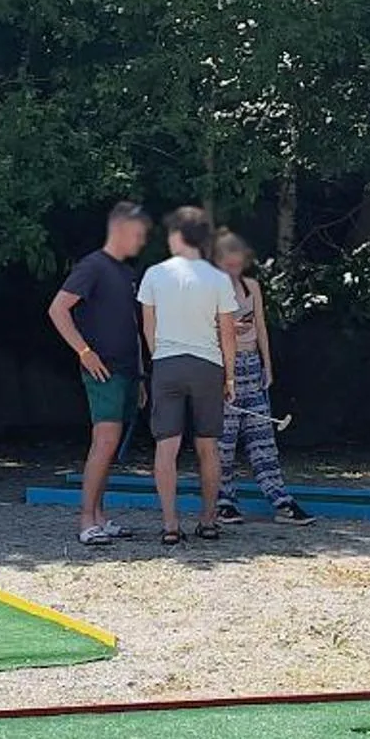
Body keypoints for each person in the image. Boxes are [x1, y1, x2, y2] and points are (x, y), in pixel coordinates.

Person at [47, 201, 153, 546]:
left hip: (126, 370)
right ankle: (85, 521)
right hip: (102, 369)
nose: (140, 241)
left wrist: (140, 376)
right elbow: (58, 309)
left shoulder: (127, 273)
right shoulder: (92, 266)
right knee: (104, 441)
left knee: (112, 446)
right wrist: (84, 351)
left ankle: (101, 516)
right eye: (137, 234)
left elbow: (134, 326)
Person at [136, 205, 241, 546]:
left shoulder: (154, 274)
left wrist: (158, 359)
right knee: (208, 446)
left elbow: (147, 326)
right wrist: (230, 377)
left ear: (178, 235)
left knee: (166, 447)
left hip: (167, 363)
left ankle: (170, 524)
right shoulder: (218, 278)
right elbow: (228, 332)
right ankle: (209, 520)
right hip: (208, 364)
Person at [209, 232, 314, 526]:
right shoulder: (210, 289)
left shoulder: (251, 286)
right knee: (224, 439)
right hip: (223, 366)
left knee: (262, 436)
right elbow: (207, 329)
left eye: (237, 256)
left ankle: (280, 500)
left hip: (251, 364)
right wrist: (228, 334)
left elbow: (262, 328)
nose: (233, 262)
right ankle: (224, 499)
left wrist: (268, 365)